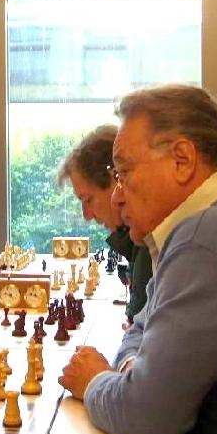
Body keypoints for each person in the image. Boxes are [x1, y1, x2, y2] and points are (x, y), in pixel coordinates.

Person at [59, 85, 217, 434]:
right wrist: (135, 369)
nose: (117, 196)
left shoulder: (206, 237)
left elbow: (143, 418)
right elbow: (141, 326)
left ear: (182, 160)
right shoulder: (209, 222)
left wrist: (94, 380)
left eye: (124, 172)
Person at [57, 124, 152, 325]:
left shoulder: (150, 247)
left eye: (87, 199)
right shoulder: (138, 245)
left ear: (117, 182)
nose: (86, 215)